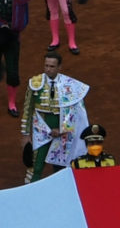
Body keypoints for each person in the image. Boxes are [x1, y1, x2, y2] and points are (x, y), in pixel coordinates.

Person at [20, 53, 92, 183]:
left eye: (52, 66)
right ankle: (30, 194)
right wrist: (25, 135)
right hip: (41, 129)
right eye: (46, 65)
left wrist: (62, 129)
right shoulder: (35, 83)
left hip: (62, 131)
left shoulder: (69, 85)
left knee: (61, 166)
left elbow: (74, 111)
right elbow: (27, 109)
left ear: (59, 67)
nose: (48, 69)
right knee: (35, 166)